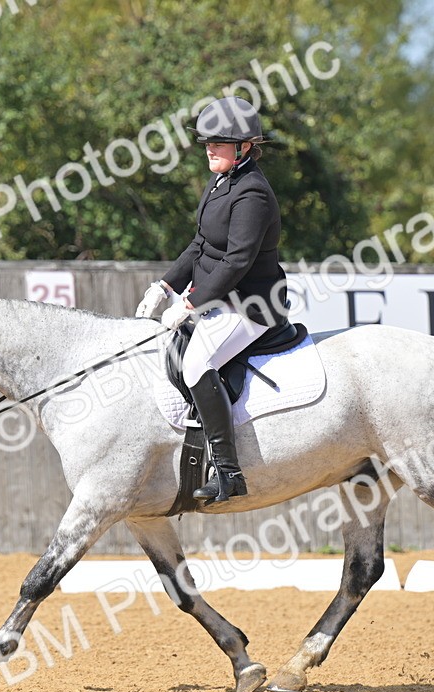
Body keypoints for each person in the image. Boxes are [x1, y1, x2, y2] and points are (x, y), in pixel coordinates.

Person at [135, 96, 288, 505]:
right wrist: (166, 286)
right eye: (207, 141)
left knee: (197, 362)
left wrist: (191, 303)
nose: (209, 148)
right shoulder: (222, 181)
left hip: (251, 305)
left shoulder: (252, 193)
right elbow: (201, 244)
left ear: (244, 147)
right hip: (218, 298)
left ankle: (229, 472)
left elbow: (238, 260)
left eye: (218, 142)